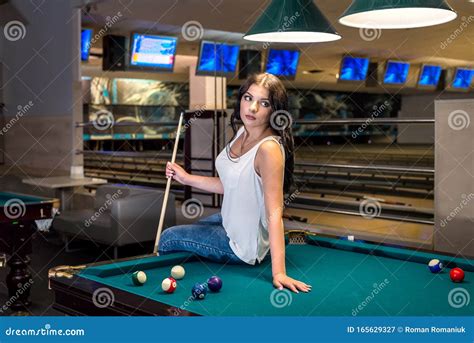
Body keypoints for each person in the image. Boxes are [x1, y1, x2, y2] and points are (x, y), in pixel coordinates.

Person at [160, 73, 311, 293]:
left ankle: (168, 290)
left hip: (241, 245)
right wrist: (185, 178)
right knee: (196, 227)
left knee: (168, 237)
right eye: (248, 98)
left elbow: (274, 213)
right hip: (229, 222)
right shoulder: (243, 131)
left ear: (274, 109)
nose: (252, 108)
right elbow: (229, 185)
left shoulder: (268, 150)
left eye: (264, 103)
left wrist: (279, 272)